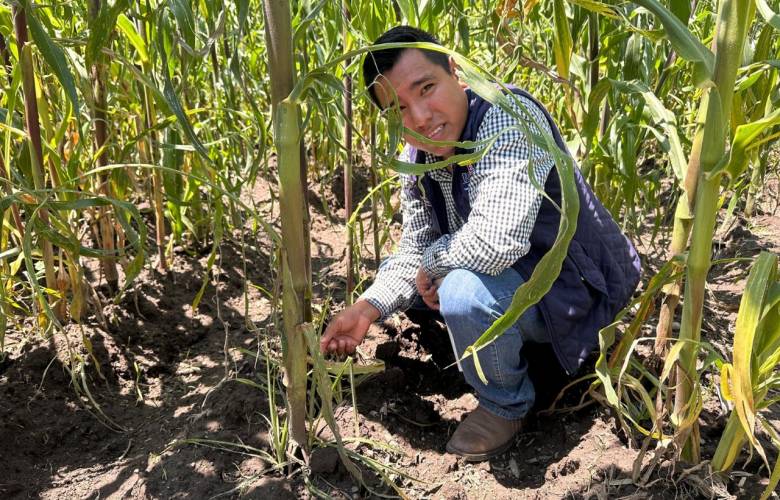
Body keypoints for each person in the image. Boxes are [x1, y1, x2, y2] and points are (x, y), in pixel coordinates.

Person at [320, 26, 641, 461]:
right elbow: (415, 247)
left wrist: (434, 265)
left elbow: (497, 241)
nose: (420, 118)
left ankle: (506, 405)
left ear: (456, 72)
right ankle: (506, 350)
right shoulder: (417, 157)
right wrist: (366, 309)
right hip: (515, 281)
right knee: (413, 288)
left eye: (426, 88)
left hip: (571, 287)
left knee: (461, 293)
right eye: (399, 110)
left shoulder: (508, 116)